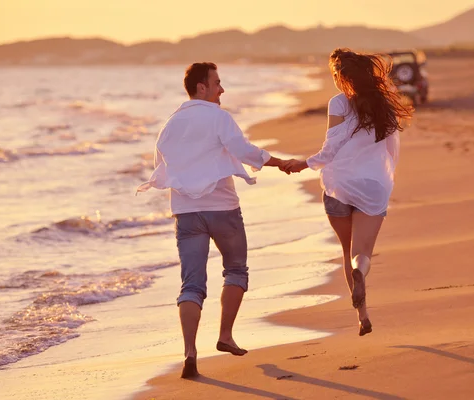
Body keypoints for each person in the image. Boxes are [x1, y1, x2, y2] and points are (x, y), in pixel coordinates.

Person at [137, 62, 288, 379]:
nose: (222, 89)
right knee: (235, 270)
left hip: (186, 212)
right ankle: (225, 335)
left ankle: (190, 352)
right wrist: (281, 163)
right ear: (201, 87)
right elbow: (243, 150)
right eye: (217, 83)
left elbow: (162, 164)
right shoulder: (218, 117)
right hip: (223, 209)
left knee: (191, 284)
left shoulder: (171, 123)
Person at [283, 48, 412, 336]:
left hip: (339, 184)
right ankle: (361, 272)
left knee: (345, 249)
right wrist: (384, 177)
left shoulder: (338, 103)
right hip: (372, 186)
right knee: (361, 253)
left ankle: (362, 316)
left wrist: (305, 164)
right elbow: (392, 149)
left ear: (340, 76)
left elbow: (332, 146)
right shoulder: (384, 104)